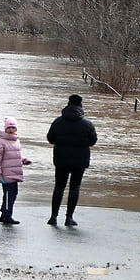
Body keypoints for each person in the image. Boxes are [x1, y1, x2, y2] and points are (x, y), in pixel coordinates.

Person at [46, 94, 97, 227]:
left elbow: (50, 138)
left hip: (61, 159)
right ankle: (69, 217)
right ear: (81, 106)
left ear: (68, 104)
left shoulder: (58, 121)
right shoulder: (87, 124)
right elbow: (93, 141)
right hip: (80, 161)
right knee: (75, 187)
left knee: (59, 187)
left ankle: (53, 217)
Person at [0, 116, 31, 225]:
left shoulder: (16, 141)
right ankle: (7, 216)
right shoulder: (1, 142)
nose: (11, 129)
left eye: (13, 127)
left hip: (15, 173)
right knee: (9, 194)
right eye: (9, 127)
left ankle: (4, 214)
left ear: (16, 129)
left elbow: (16, 156)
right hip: (5, 174)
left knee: (13, 194)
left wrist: (24, 160)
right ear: (5, 129)